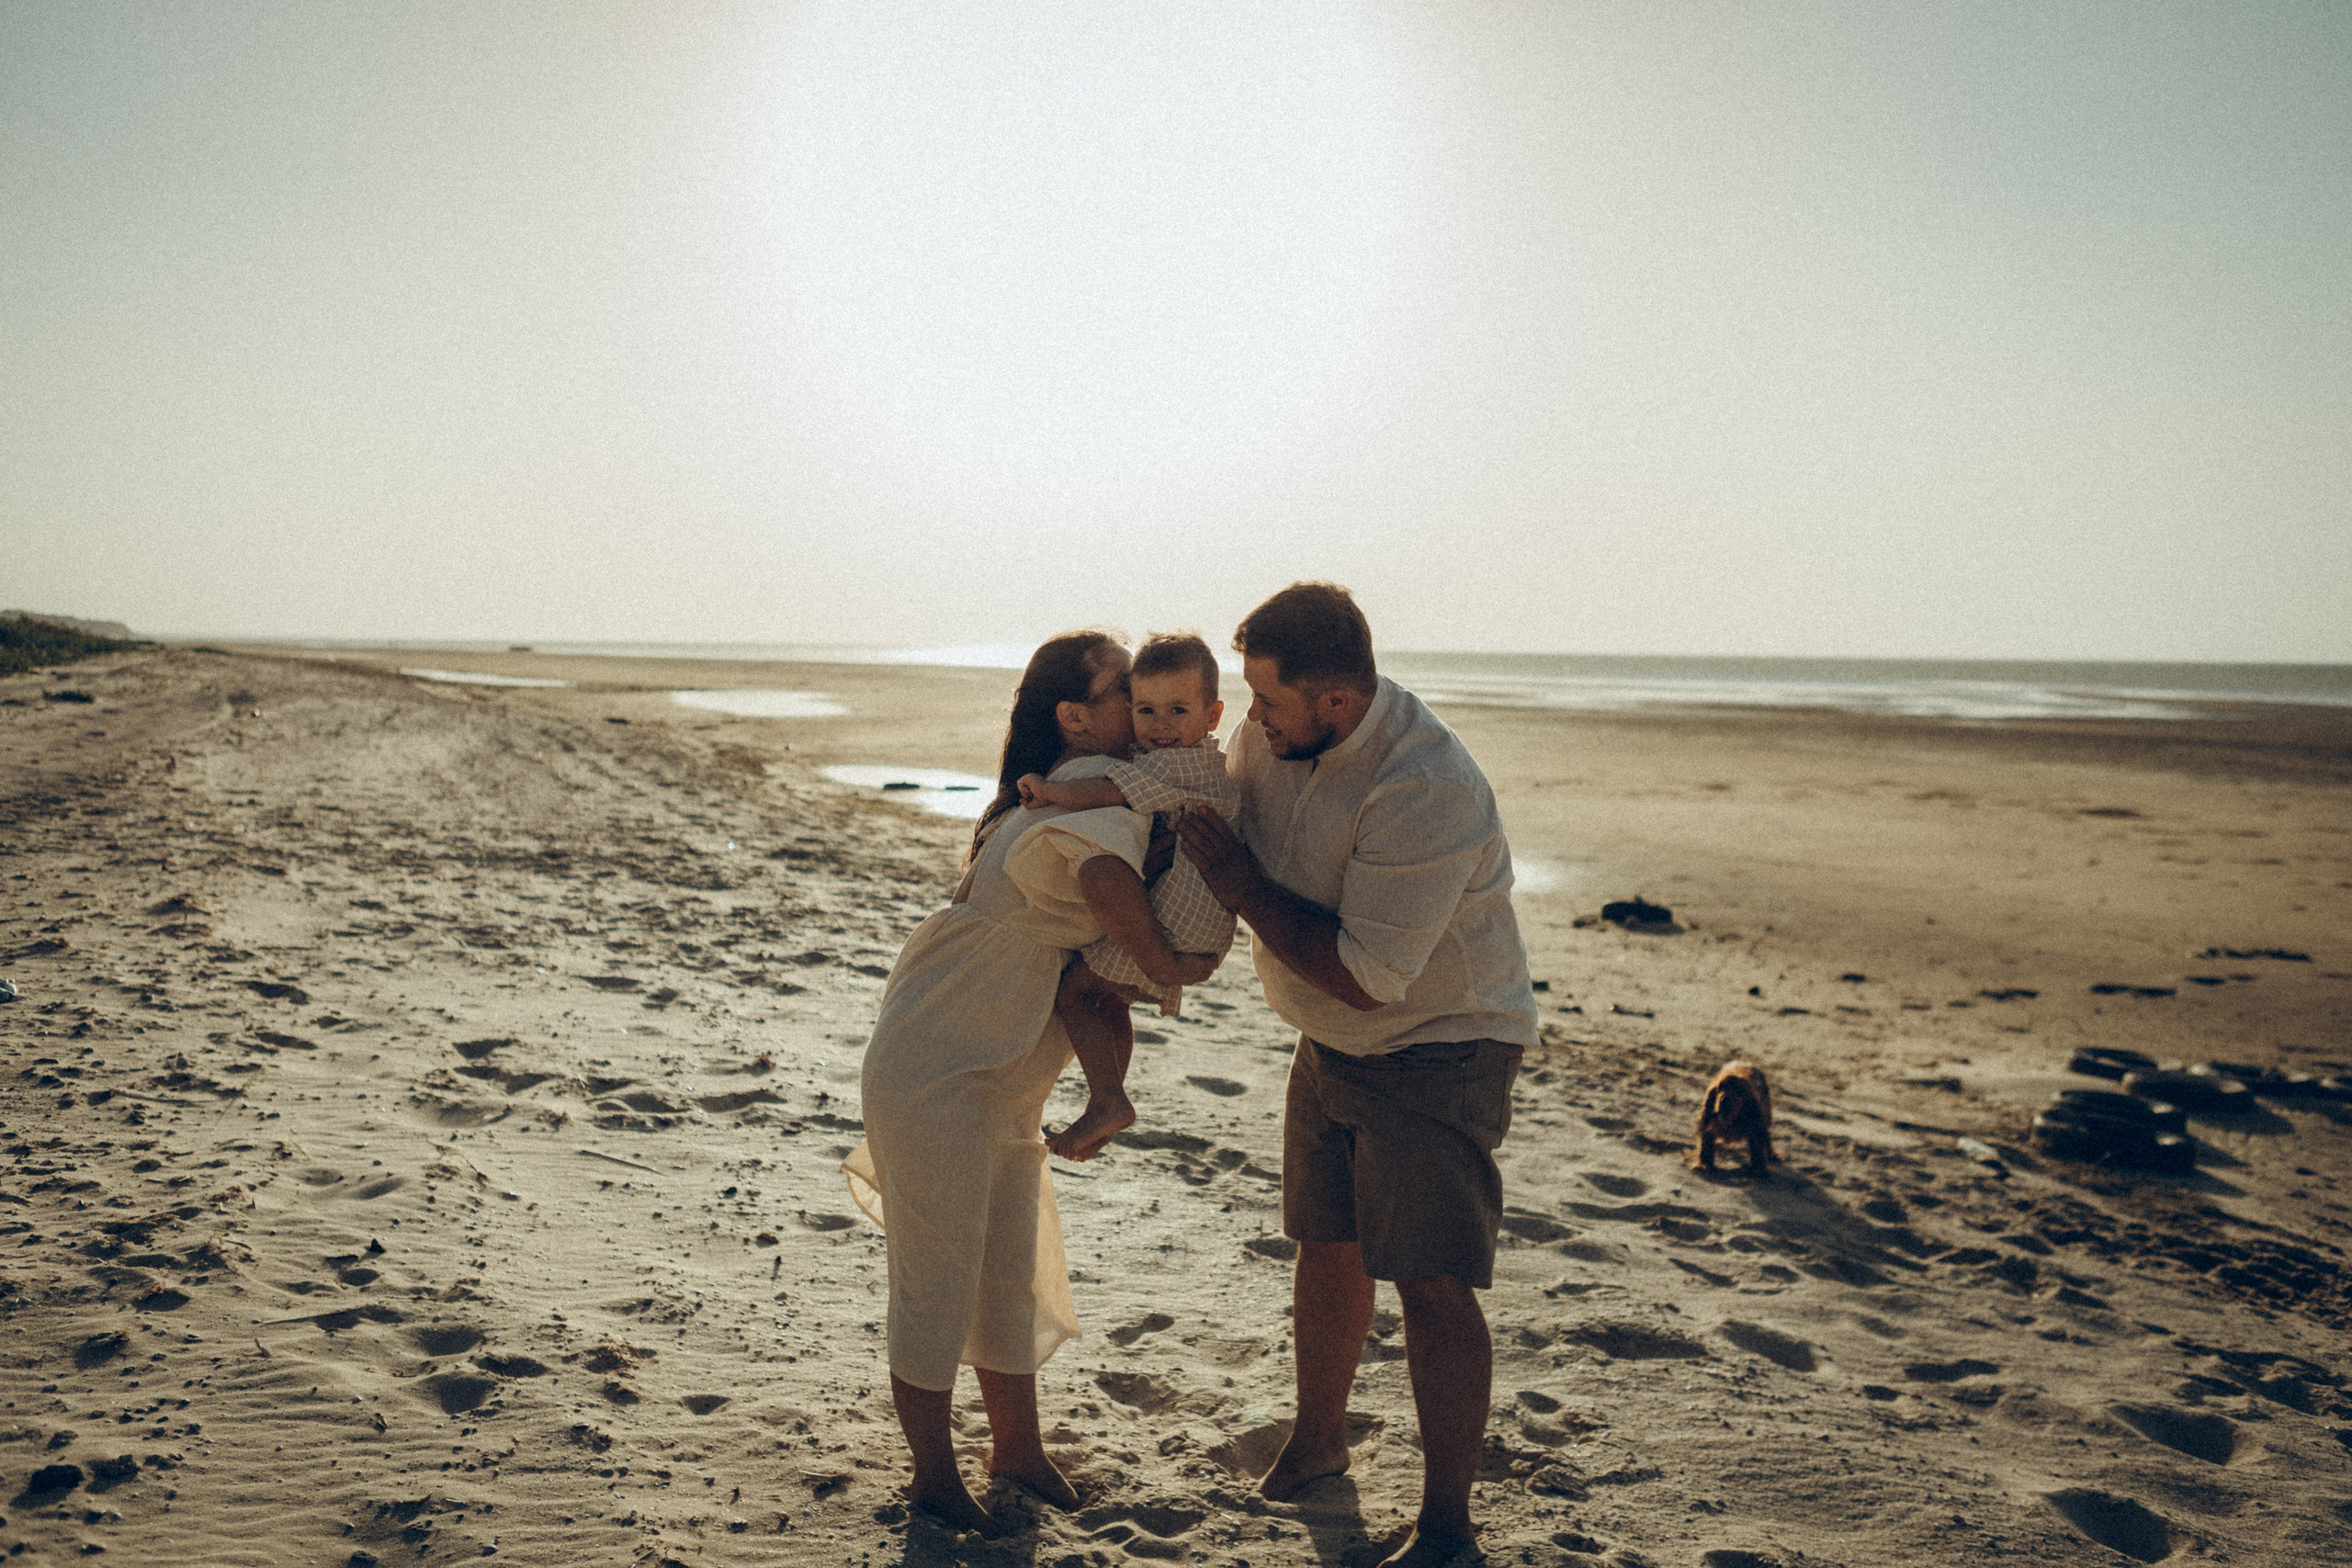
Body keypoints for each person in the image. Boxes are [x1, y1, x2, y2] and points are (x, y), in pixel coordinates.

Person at [1178, 582, 1539, 1568]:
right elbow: (1208, 815)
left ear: (1335, 704)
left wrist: (1240, 888)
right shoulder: (1278, 736)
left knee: (1431, 1279)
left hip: (1439, 1045)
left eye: (1270, 701)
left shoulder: (1425, 786)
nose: (1253, 719)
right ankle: (1318, 1440)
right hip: (1325, 1037)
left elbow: (1370, 976)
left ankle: (1448, 1525)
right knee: (1325, 1244)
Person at [842, 630, 1193, 1534]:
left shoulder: (1099, 791)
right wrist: (1169, 971)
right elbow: (1109, 882)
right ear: (1075, 716)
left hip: (994, 1075)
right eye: (1126, 689)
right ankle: (931, 1476)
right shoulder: (1094, 796)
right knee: (938, 1281)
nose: (1144, 701)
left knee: (1005, 1274)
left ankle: (1019, 1452)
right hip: (941, 1073)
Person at [1016, 631, 1241, 1160]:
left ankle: (1108, 1098)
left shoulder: (1168, 766)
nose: (1160, 727)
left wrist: (1052, 793)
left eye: (1178, 710)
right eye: (1145, 709)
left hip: (1183, 922)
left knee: (1076, 991)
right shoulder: (1204, 760)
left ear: (1212, 716)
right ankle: (1110, 1098)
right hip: (1202, 917)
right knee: (1106, 993)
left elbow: (1114, 788)